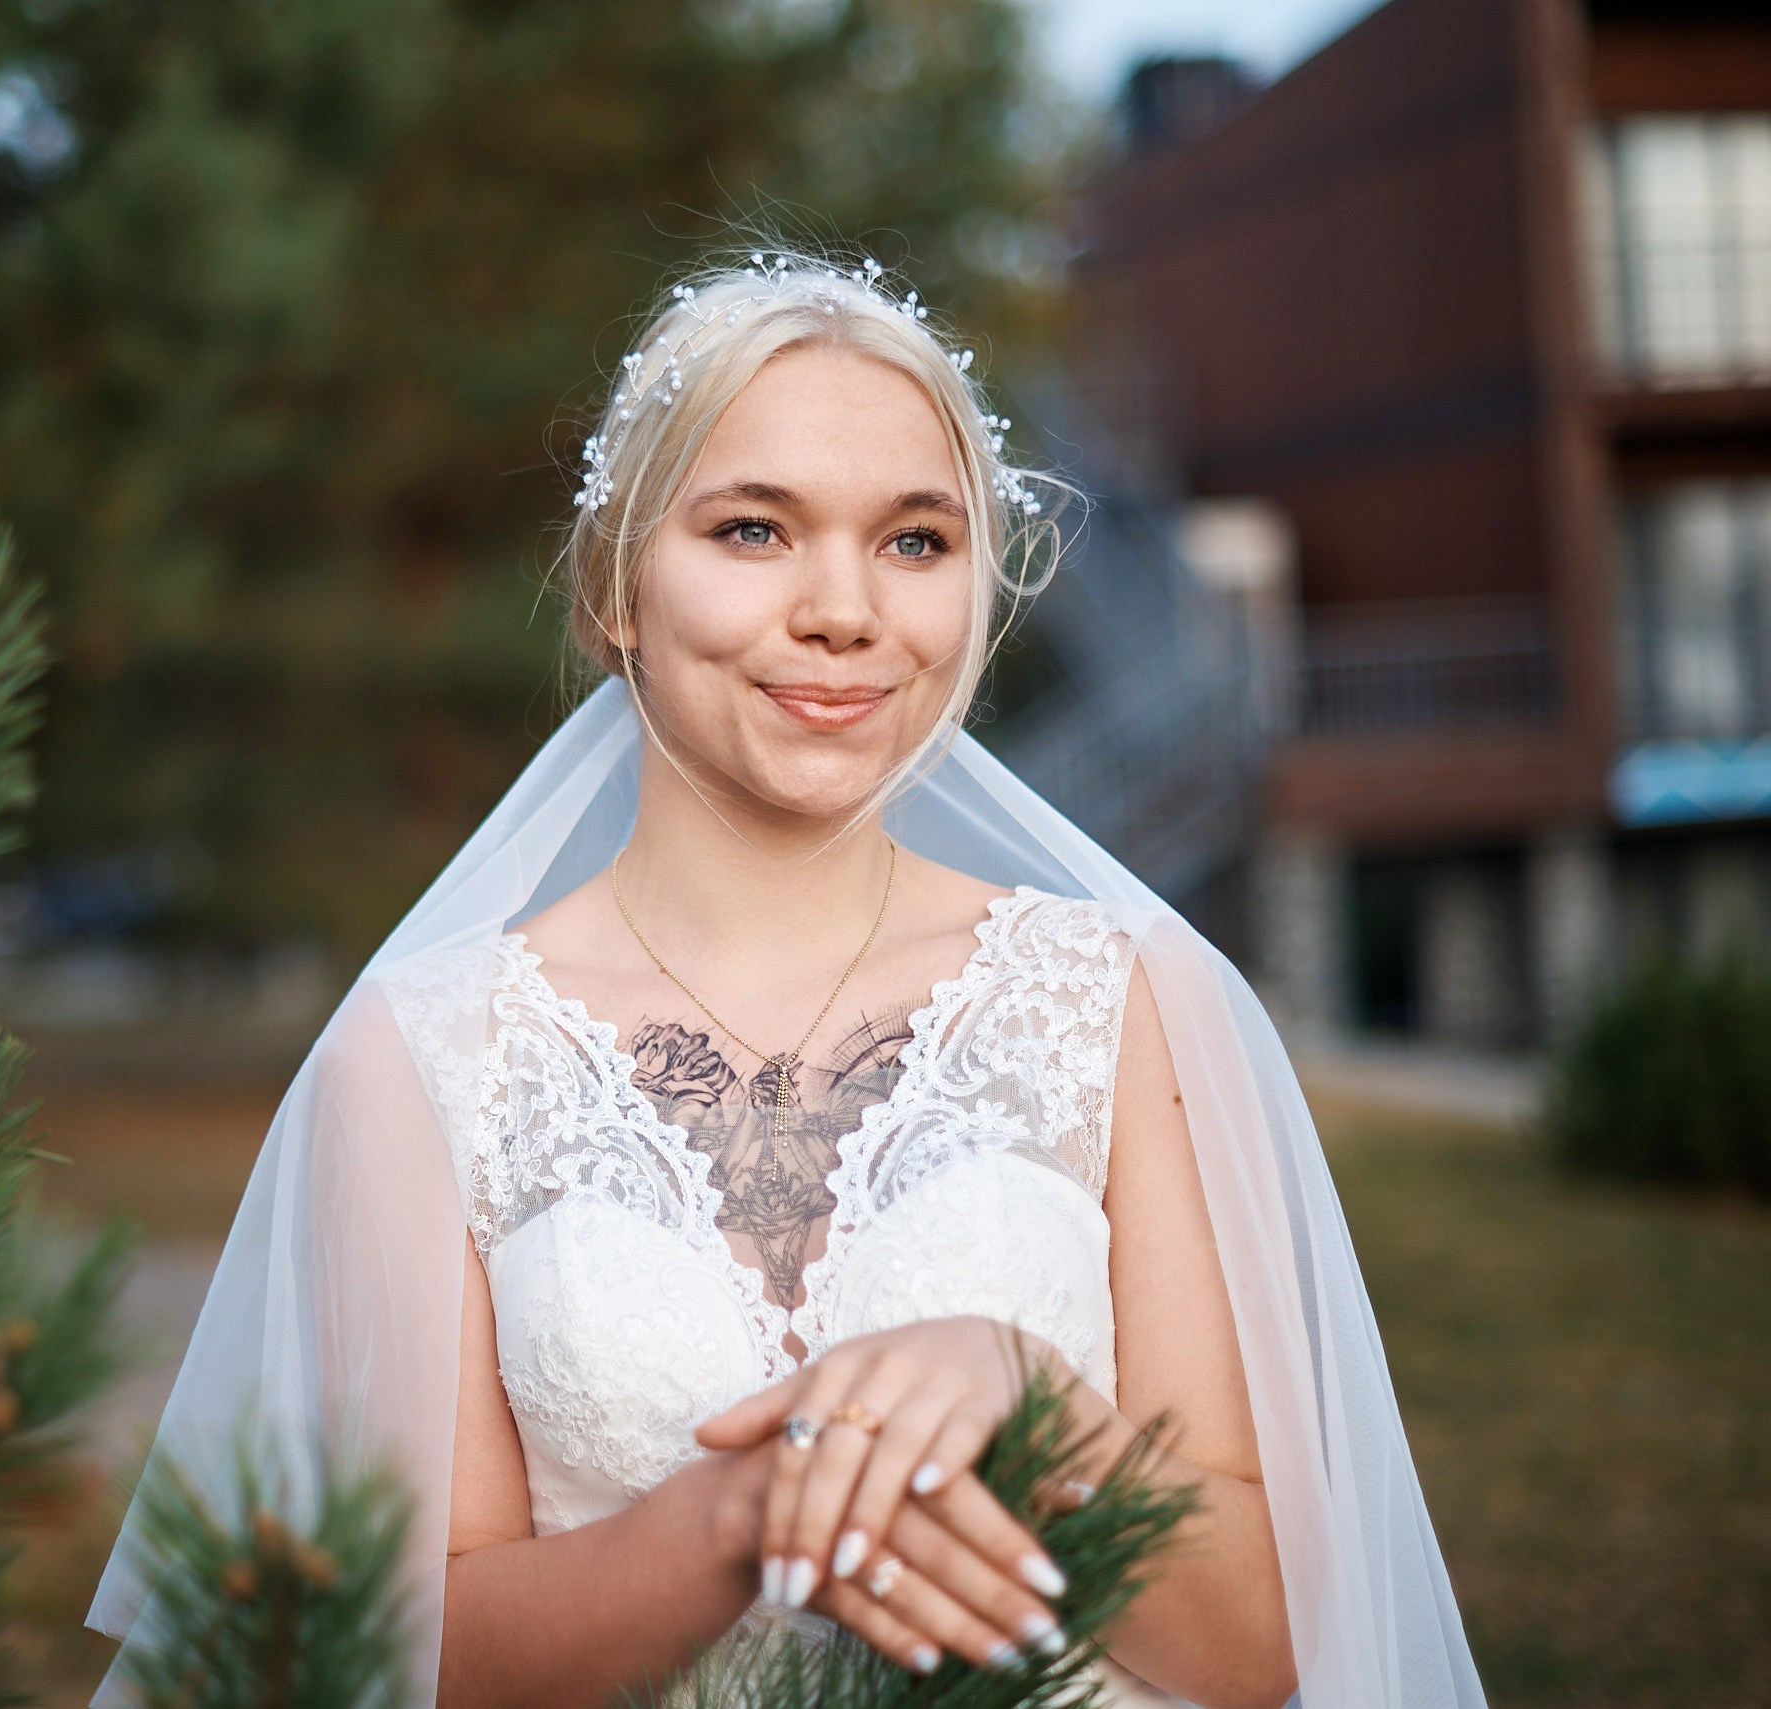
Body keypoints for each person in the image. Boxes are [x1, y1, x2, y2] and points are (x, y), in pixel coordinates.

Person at [87, 249, 1487, 1709]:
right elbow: (404, 1652)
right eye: (755, 531)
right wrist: (740, 1516)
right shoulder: (427, 1053)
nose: (845, 610)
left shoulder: (1123, 1003)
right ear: (617, 587)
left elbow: (1263, 1645)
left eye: (916, 541)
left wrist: (1037, 1409)